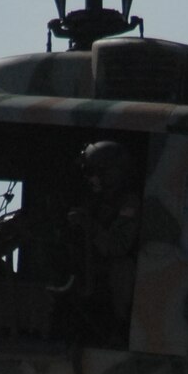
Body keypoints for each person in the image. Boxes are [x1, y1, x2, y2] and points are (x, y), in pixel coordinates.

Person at [66, 140, 141, 345]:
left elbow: (117, 247)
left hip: (114, 283)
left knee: (121, 268)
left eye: (94, 172)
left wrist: (88, 225)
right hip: (92, 281)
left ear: (111, 173)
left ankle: (118, 327)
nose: (90, 179)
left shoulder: (129, 203)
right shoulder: (97, 201)